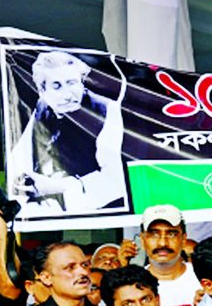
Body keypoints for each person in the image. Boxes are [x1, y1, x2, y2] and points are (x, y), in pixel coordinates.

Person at [7, 51, 127, 216]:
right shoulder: (42, 105)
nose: (68, 94)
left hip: (97, 210)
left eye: (72, 83)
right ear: (42, 90)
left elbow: (114, 181)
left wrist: (60, 187)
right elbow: (22, 155)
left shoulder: (107, 110)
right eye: (57, 86)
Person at [137, 205, 201, 306]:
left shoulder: (205, 277)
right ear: (143, 240)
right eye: (154, 234)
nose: (162, 243)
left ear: (183, 239)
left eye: (171, 233)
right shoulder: (133, 286)